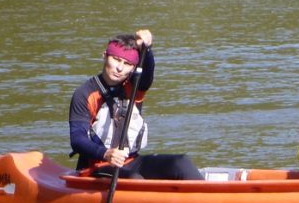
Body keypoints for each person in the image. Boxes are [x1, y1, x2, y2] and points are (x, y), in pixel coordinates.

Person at [69, 29, 202, 180]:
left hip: (131, 161)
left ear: (133, 68)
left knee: (182, 163)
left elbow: (147, 74)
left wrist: (147, 47)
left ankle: (209, 201)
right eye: (116, 59)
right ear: (105, 56)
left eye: (127, 63)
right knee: (134, 178)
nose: (120, 68)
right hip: (98, 166)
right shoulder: (84, 93)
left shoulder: (134, 87)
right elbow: (77, 139)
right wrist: (106, 153)